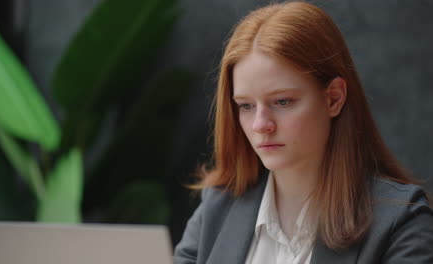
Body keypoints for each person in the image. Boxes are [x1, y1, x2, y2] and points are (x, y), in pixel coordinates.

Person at [174, 1, 433, 263]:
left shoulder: (402, 223)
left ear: (334, 98)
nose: (260, 124)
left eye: (282, 101)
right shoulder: (217, 208)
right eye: (246, 106)